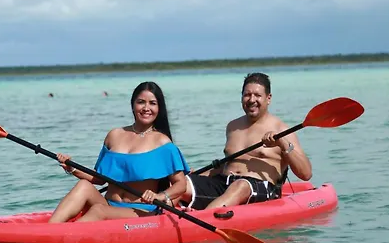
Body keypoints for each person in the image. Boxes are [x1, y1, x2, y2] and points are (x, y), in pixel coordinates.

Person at [49, 81, 190, 223]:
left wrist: (160, 196)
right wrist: (72, 168)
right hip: (109, 204)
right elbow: (99, 178)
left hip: (141, 211)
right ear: (133, 105)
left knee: (99, 210)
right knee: (84, 186)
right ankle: (50, 228)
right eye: (141, 102)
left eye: (152, 103)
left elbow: (181, 184)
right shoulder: (114, 135)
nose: (146, 108)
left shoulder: (163, 143)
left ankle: (61, 234)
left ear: (159, 108)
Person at [180, 72, 312, 210]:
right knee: (180, 183)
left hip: (260, 189)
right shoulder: (233, 127)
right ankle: (169, 214)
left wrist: (283, 143)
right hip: (224, 184)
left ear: (268, 98)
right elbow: (227, 165)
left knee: (241, 185)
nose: (251, 100)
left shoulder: (282, 129)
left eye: (257, 95)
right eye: (247, 95)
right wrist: (198, 175)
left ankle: (203, 217)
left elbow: (306, 173)